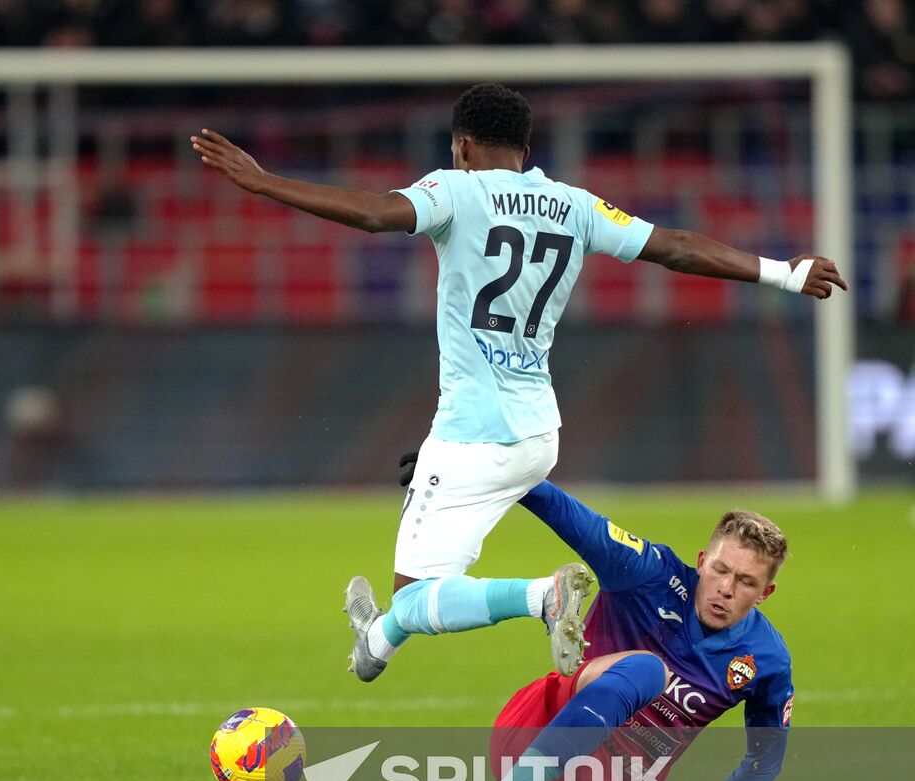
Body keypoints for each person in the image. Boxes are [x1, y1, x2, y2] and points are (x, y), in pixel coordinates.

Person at [192, 83, 844, 682]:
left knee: (419, 595)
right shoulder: (573, 204)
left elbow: (373, 214)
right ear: (526, 150)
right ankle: (372, 646)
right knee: (407, 598)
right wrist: (784, 273)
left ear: (463, 146)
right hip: (537, 432)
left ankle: (539, 596)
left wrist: (264, 182)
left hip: (475, 428)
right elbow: (673, 245)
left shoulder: (456, 188)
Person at [285, 479, 794, 781]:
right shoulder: (650, 573)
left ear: (765, 592)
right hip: (544, 723)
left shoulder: (766, 661)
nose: (727, 588)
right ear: (703, 561)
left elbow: (764, 759)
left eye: (746, 582)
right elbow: (569, 515)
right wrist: (471, 471)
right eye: (721, 571)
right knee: (647, 671)